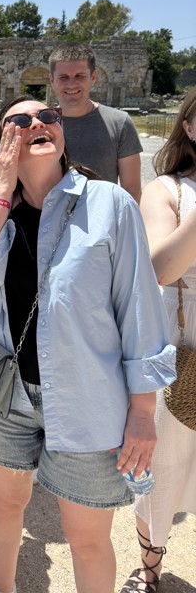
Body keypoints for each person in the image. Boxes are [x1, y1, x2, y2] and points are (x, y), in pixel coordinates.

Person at [0, 95, 176, 593]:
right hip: (6, 393)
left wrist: (143, 411)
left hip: (87, 397)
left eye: (48, 116)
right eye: (21, 120)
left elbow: (139, 308)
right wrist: (1, 190)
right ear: (2, 142)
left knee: (87, 538)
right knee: (5, 506)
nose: (39, 123)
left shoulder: (109, 204)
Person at [121, 89, 196, 593]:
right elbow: (161, 269)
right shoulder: (167, 190)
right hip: (183, 341)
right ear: (188, 127)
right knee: (164, 464)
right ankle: (150, 566)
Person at [49, 43, 143, 202]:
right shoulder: (40, 125)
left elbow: (131, 189)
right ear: (52, 80)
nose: (71, 84)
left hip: (103, 215)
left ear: (93, 78)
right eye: (63, 77)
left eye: (79, 76)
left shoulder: (119, 123)